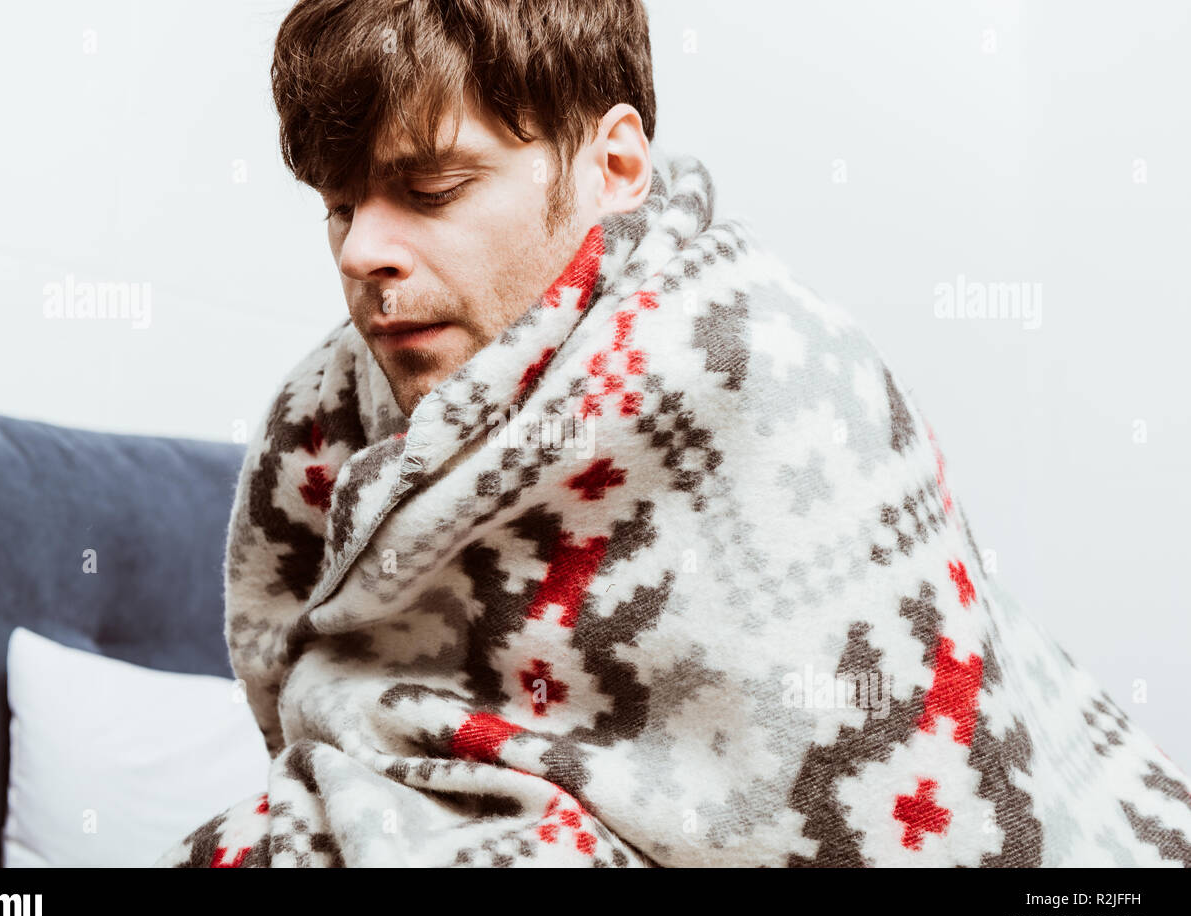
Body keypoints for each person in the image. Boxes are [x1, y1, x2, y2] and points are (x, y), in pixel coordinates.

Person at [157, 0, 1191, 867]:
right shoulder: (319, 417)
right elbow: (314, 716)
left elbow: (923, 810)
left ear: (612, 166)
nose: (365, 250)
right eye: (340, 207)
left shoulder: (769, 367)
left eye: (430, 189)